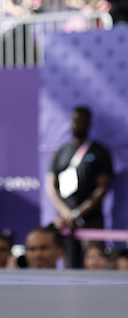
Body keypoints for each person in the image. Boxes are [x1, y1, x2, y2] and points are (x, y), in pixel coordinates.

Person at [46, 106, 113, 268]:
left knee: (95, 261)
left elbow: (102, 188)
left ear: (88, 123)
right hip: (66, 220)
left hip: (91, 218)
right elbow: (51, 185)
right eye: (73, 121)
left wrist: (78, 213)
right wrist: (66, 213)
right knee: (69, 264)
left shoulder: (99, 152)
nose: (76, 125)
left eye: (80, 121)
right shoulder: (61, 152)